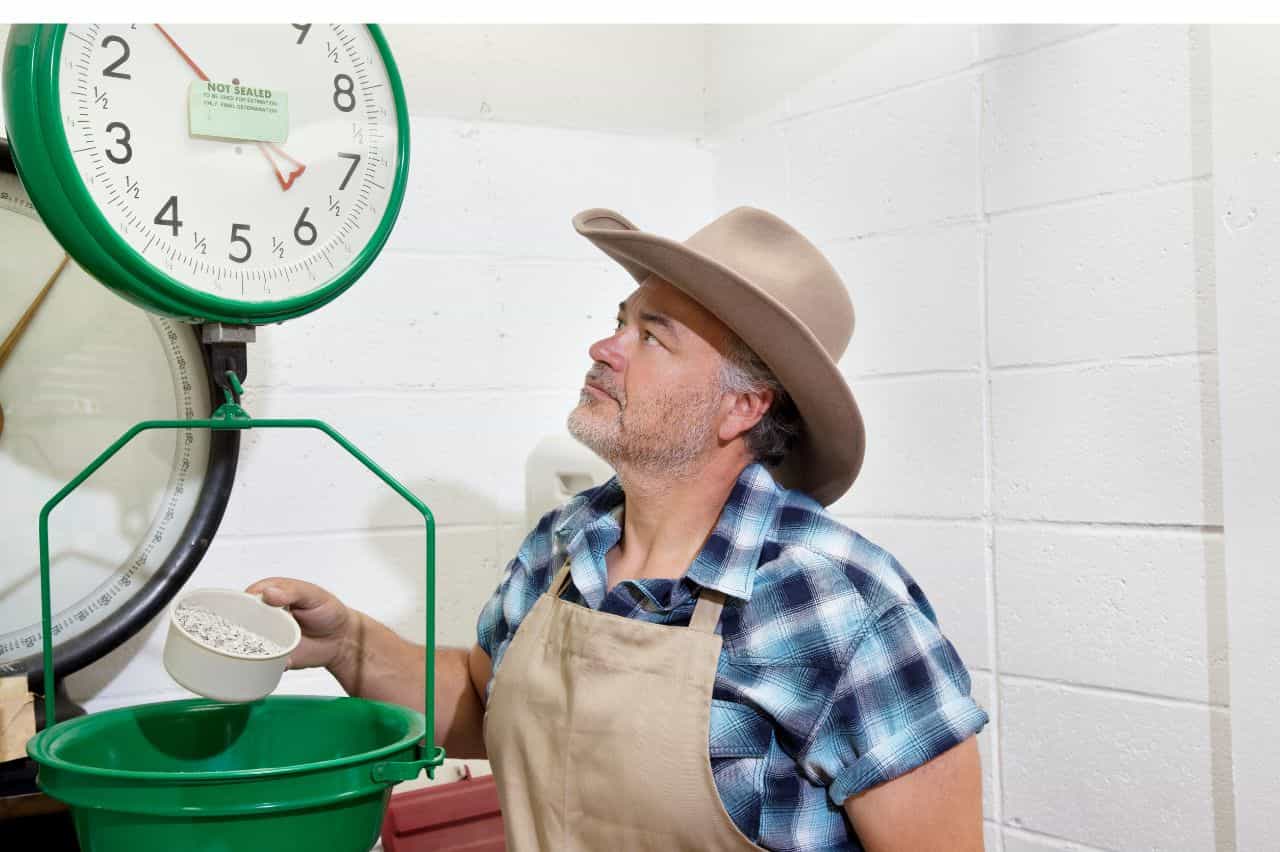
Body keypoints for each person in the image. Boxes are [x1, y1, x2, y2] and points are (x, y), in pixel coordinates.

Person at [248, 206, 988, 851]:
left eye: (653, 337)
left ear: (743, 408)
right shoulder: (564, 544)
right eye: (619, 324)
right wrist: (348, 644)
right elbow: (482, 701)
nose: (604, 350)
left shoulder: (837, 602)